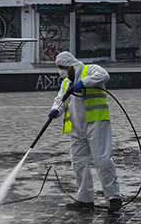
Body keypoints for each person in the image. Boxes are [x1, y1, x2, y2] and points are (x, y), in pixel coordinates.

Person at [48, 51, 122, 213]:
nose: (61, 71)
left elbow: (104, 75)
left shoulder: (90, 69)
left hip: (96, 122)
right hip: (77, 127)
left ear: (70, 65)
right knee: (79, 162)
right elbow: (60, 100)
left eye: (62, 67)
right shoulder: (66, 83)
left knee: (102, 159)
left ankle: (114, 197)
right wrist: (55, 110)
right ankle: (85, 199)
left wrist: (84, 82)